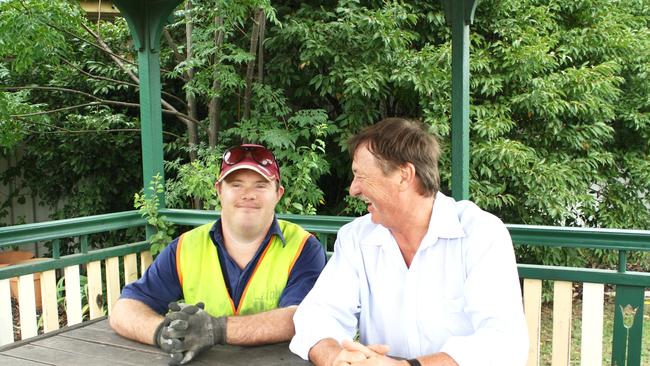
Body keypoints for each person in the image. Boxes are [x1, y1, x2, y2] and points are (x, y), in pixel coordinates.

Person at [290, 118, 528, 366]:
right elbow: (317, 314)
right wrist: (335, 357)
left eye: (361, 176)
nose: (353, 189)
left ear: (404, 176)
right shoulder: (356, 238)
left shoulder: (481, 233)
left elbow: (504, 342)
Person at [110, 143, 327, 365]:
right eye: (236, 184)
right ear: (219, 191)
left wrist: (215, 329)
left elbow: (301, 317)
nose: (248, 195)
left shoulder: (304, 247)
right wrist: (164, 333)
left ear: (278, 194)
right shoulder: (185, 247)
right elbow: (125, 309)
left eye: (261, 186)